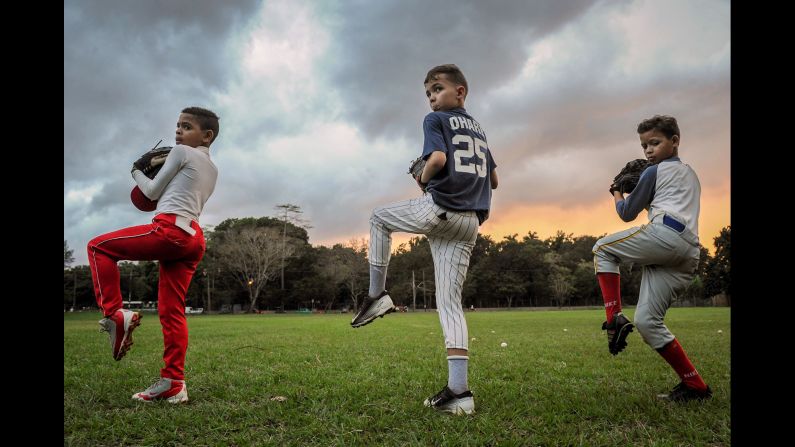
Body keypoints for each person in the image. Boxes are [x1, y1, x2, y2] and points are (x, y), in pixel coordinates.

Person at [351, 64, 498, 415]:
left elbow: (437, 159)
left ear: (459, 92)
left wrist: (424, 175)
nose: (432, 97)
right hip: (470, 223)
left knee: (378, 217)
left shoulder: (435, 121)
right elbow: (494, 180)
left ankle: (376, 295)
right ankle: (459, 394)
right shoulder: (478, 130)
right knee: (450, 305)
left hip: (441, 209)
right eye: (428, 92)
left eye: (437, 89)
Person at [87, 107, 220, 404]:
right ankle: (174, 382)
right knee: (172, 312)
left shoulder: (182, 153)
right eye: (177, 126)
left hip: (170, 230)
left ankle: (115, 315)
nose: (178, 132)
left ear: (207, 135)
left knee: (98, 247)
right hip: (194, 238)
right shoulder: (212, 168)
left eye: (186, 127)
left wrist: (135, 170)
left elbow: (149, 193)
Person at [592, 115, 712, 402]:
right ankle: (695, 386)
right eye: (645, 145)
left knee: (602, 249)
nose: (648, 150)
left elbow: (626, 213)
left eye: (655, 143)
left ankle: (614, 319)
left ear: (675, 141)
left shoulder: (652, 173)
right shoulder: (691, 174)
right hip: (687, 251)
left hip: (666, 236)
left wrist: (617, 192)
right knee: (648, 322)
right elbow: (665, 198)